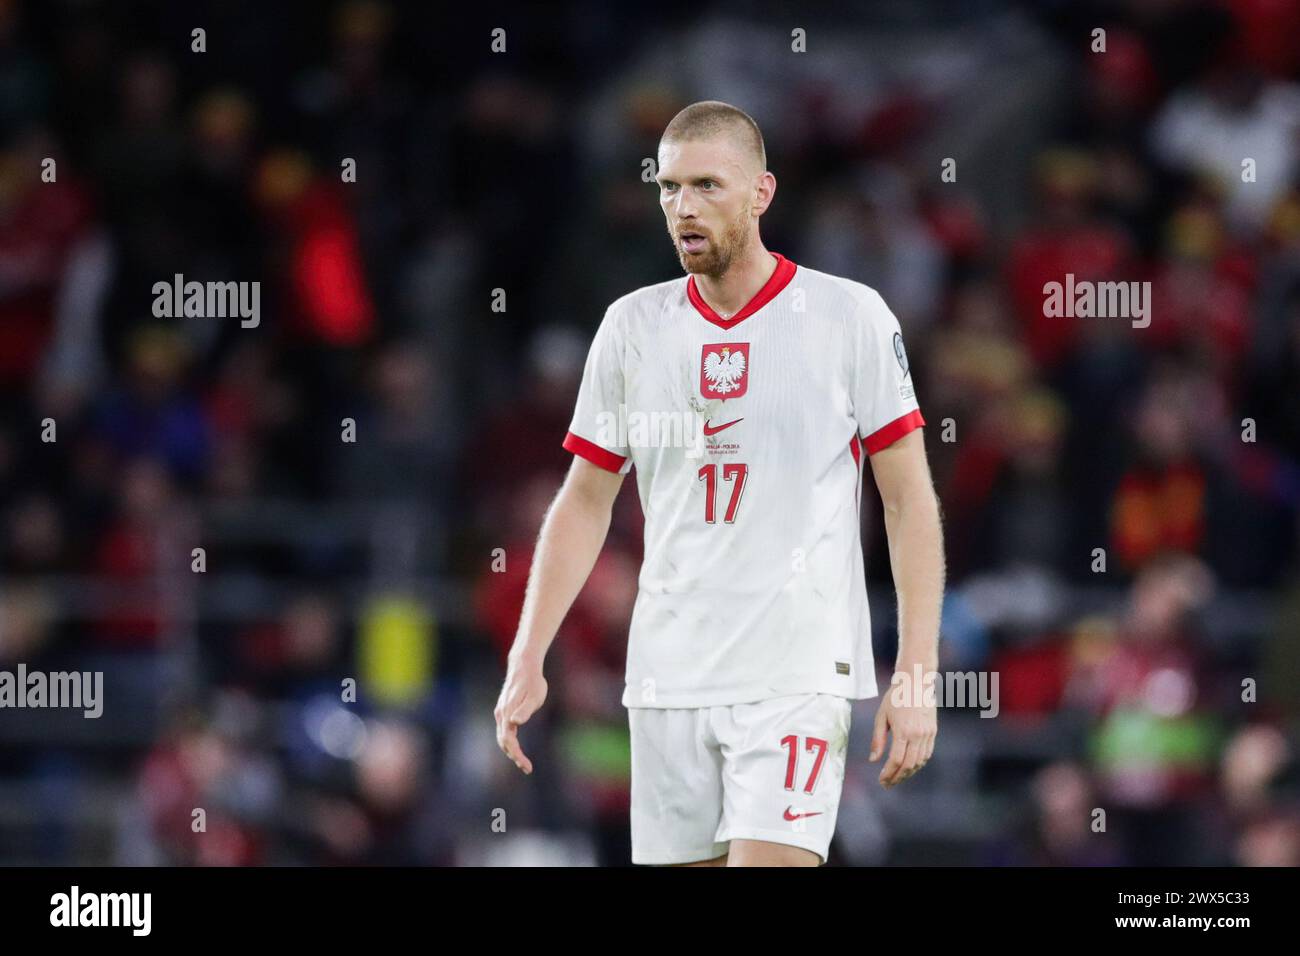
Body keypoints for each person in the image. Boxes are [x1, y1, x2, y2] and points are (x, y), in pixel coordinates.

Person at [495, 101, 945, 867]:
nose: (684, 208)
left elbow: (907, 502)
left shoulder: (849, 318)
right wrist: (528, 651)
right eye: (669, 188)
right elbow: (585, 498)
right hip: (667, 676)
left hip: (795, 674)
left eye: (707, 185)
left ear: (762, 193)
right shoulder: (632, 327)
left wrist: (915, 674)